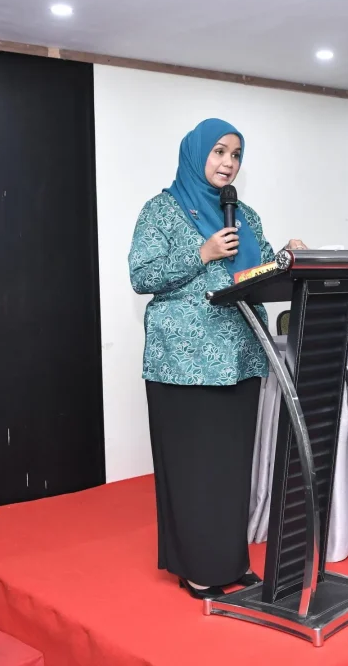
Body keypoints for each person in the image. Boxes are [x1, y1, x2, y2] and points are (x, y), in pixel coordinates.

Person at [128, 118, 306, 600]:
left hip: (241, 356)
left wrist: (290, 259)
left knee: (230, 468)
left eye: (235, 155)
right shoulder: (162, 210)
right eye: (219, 152)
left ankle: (230, 560)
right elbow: (141, 275)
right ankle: (198, 567)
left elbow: (259, 269)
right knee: (194, 468)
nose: (227, 163)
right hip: (182, 364)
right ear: (197, 154)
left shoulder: (243, 213)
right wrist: (202, 254)